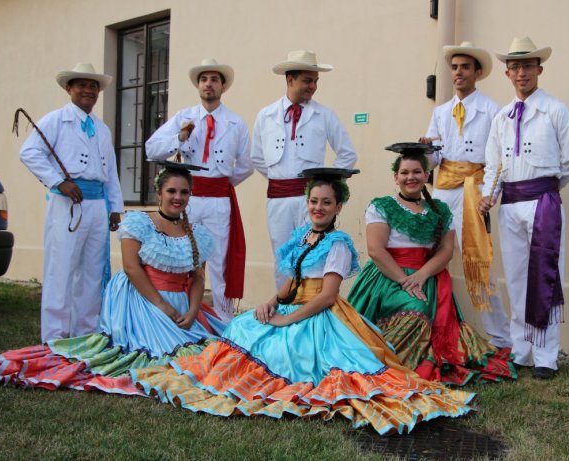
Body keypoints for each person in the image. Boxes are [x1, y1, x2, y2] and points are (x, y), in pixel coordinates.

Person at [132, 168, 475, 435]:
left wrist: (286, 319)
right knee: (242, 326)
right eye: (313, 201)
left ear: (338, 207)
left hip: (318, 315)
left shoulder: (338, 244)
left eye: (326, 202)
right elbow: (291, 283)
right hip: (292, 304)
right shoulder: (303, 235)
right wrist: (270, 302)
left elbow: (327, 296)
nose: (318, 208)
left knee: (286, 353)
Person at [0, 164, 225, 394]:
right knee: (173, 355)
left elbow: (197, 277)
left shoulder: (197, 233)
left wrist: (194, 311)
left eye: (184, 192)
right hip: (144, 300)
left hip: (182, 305)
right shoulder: (140, 223)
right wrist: (162, 305)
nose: (178, 197)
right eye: (171, 191)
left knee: (215, 352)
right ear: (159, 193)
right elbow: (132, 268)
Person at [347, 144, 516, 386]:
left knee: (422, 308)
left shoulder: (440, 210)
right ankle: (380, 363)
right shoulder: (382, 206)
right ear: (396, 177)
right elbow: (376, 250)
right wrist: (405, 281)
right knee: (414, 308)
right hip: (388, 277)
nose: (410, 177)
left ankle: (403, 363)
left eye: (417, 172)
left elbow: (446, 251)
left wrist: (423, 275)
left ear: (427, 175)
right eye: (404, 172)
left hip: (425, 277)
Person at [479, 37, 569, 380]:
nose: (521, 72)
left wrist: (549, 188)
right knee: (515, 278)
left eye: (527, 66)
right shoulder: (501, 117)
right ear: (507, 73)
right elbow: (492, 163)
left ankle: (546, 355)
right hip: (510, 204)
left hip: (543, 203)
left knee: (546, 275)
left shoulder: (555, 110)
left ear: (539, 69)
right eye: (515, 67)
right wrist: (489, 193)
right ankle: (522, 350)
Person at [19, 63, 124, 343]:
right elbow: (29, 152)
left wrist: (115, 207)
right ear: (69, 89)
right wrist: (58, 181)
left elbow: (110, 172)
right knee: (61, 270)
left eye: (93, 87)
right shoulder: (56, 120)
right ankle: (55, 337)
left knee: (91, 273)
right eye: (82, 85)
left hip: (97, 206)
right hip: (67, 205)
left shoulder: (102, 129)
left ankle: (85, 334)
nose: (88, 91)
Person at [419, 42, 511, 349]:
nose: (459, 73)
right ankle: (428, 328)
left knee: (478, 260)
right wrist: (426, 151)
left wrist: (489, 193)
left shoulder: (492, 110)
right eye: (455, 67)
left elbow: (498, 157)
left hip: (473, 190)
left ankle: (501, 337)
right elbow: (435, 160)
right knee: (431, 256)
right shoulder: (441, 112)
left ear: (478, 72)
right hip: (444, 191)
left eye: (465, 67)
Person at [146, 58, 252, 321]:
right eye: (204, 80)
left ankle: (224, 319)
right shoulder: (184, 117)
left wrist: (223, 184)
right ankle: (180, 311)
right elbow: (151, 149)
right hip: (187, 198)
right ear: (198, 85)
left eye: (214, 80)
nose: (208, 84)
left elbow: (247, 164)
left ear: (223, 87)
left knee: (219, 260)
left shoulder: (236, 123)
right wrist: (178, 139)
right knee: (184, 254)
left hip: (219, 198)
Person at [251, 50, 357, 288]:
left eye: (316, 81)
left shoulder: (324, 115)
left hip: (309, 198)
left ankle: (308, 308)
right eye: (308, 80)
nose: (313, 86)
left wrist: (326, 184)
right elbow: (257, 157)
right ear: (290, 80)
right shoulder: (266, 115)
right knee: (282, 255)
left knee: (311, 255)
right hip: (277, 199)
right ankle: (283, 307)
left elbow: (348, 154)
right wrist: (280, 179)